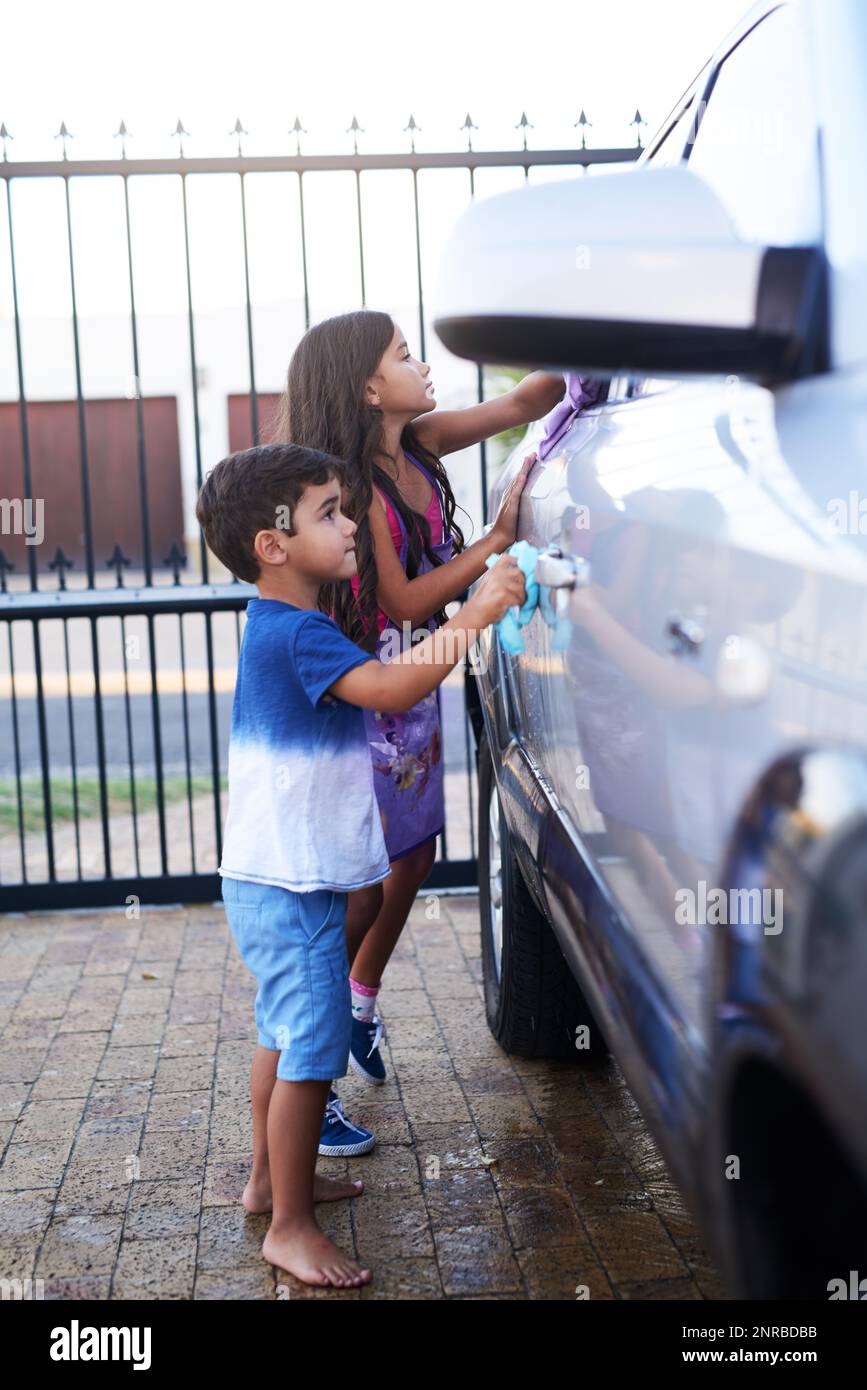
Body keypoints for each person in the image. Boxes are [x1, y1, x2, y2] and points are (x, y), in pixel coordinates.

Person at [195, 441, 527, 1288]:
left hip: (276, 879)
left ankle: (273, 1184)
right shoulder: (299, 635)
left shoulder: (282, 625)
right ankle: (291, 1228)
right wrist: (473, 614)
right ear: (273, 544)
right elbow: (389, 690)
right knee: (311, 1049)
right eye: (329, 514)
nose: (350, 527)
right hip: (290, 882)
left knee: (283, 1032)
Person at [274, 308, 564, 1094]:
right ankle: (316, 1070)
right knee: (361, 890)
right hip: (375, 696)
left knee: (416, 853)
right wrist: (491, 547)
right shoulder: (358, 486)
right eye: (406, 355)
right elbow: (400, 602)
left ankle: (358, 1005)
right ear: (370, 388)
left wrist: (579, 349)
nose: (424, 366)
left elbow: (524, 403)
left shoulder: (422, 443)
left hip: (415, 689)